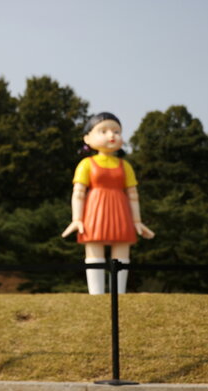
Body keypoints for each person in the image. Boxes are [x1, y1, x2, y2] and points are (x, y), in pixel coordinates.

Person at [62, 112, 154, 294]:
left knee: (121, 250)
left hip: (121, 211)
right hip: (95, 211)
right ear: (87, 138)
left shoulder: (125, 166)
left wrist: (137, 221)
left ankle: (118, 292)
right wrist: (76, 218)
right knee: (94, 249)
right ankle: (96, 293)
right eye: (103, 131)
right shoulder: (86, 164)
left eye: (116, 131)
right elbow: (78, 193)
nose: (111, 135)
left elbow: (133, 195)